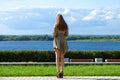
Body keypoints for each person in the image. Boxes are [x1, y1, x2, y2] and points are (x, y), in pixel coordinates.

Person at [53, 14, 69, 78]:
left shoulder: (56, 25)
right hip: (63, 40)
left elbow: (54, 34)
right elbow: (67, 34)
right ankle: (62, 71)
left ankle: (58, 71)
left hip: (57, 40)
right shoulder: (65, 25)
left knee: (57, 57)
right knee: (62, 57)